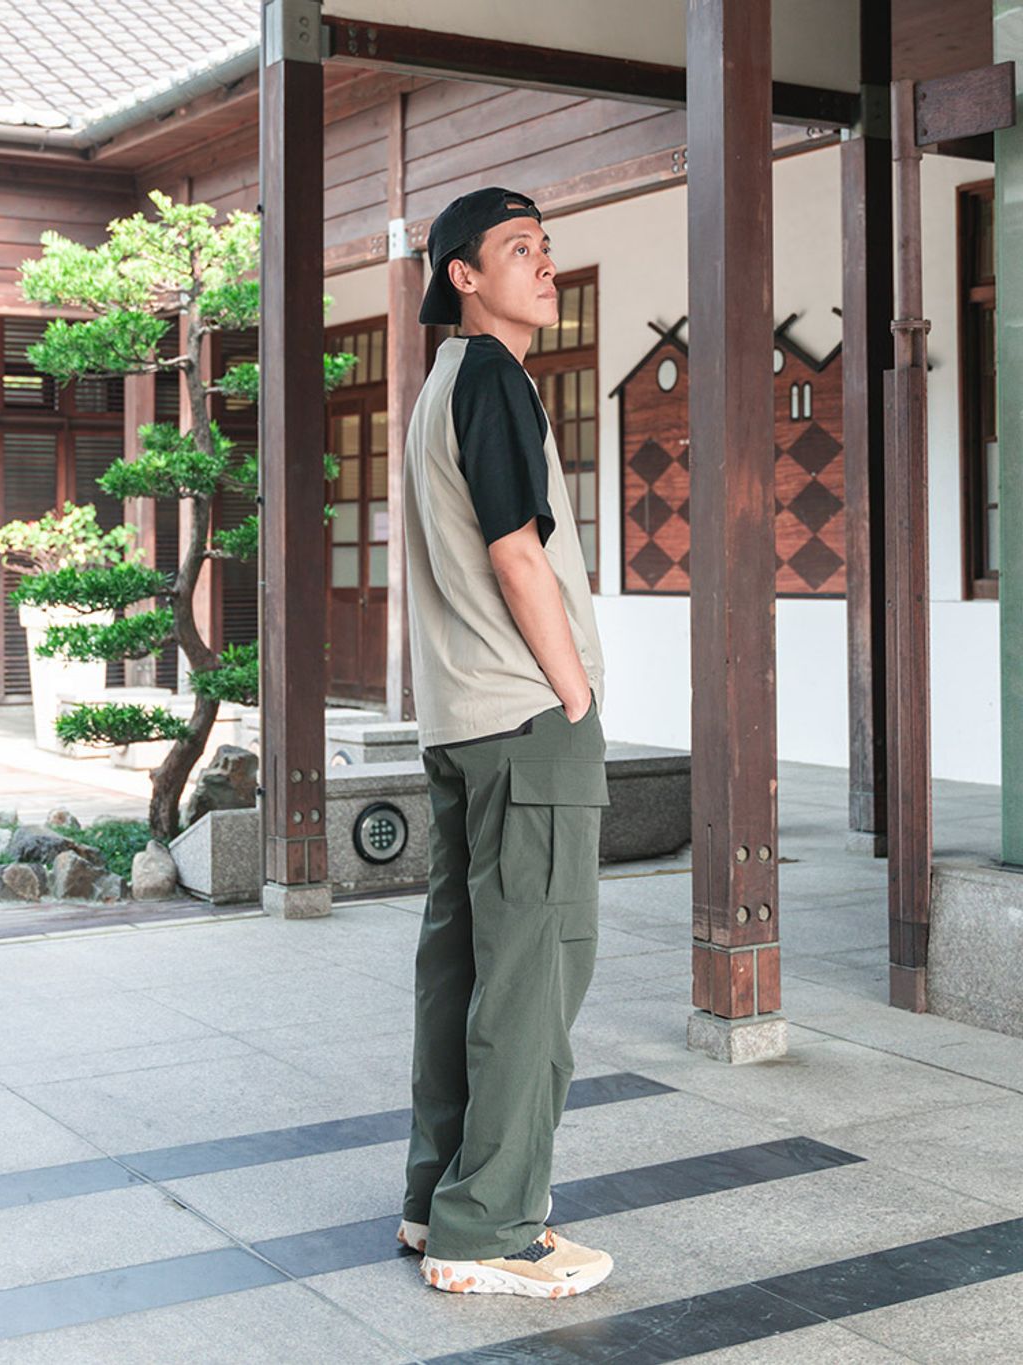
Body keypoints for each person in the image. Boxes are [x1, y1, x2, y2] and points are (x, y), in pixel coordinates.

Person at [397, 186, 613, 1299]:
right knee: (534, 975)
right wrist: (575, 695)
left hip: (463, 722)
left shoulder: (441, 385)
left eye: (547, 247)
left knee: (465, 966)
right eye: (518, 249)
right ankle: (492, 1228)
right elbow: (516, 551)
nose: (545, 264)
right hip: (525, 721)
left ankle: (437, 1200)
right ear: (465, 276)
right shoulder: (493, 377)